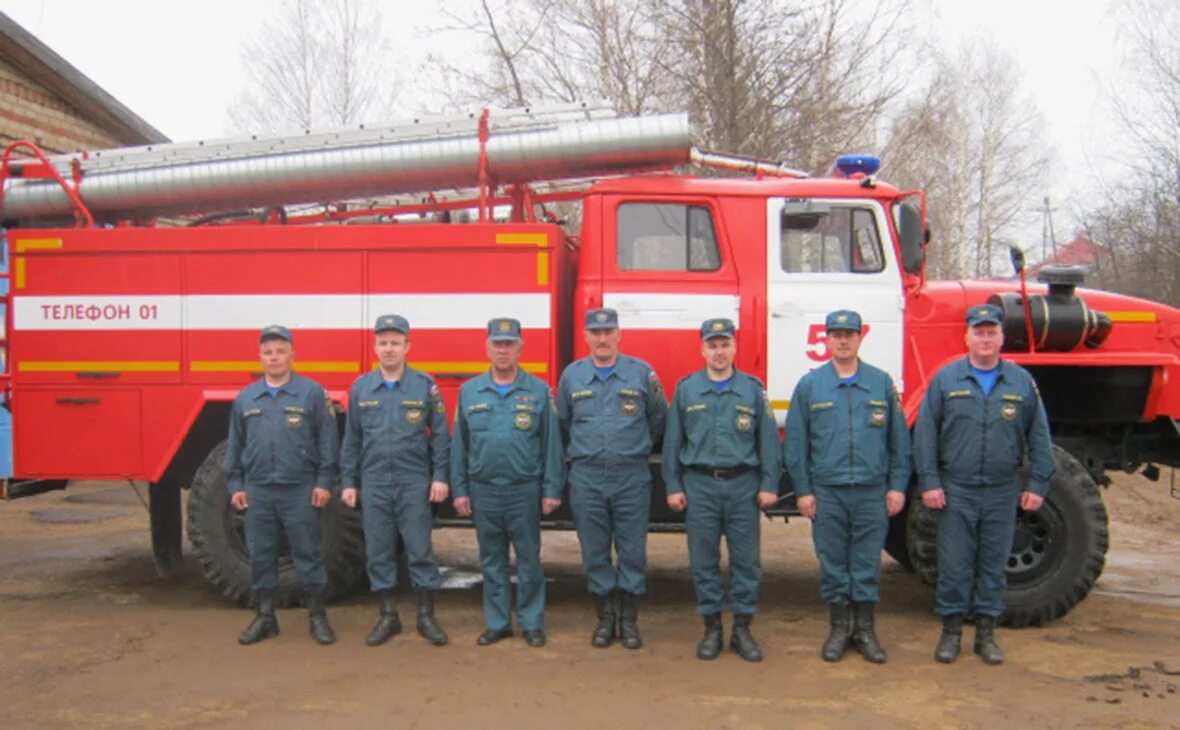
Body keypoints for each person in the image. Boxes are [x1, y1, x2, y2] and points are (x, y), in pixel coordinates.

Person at [913, 303, 1055, 665]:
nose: (985, 338)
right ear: (967, 336)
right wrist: (930, 481)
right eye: (979, 332)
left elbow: (1039, 436)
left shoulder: (1021, 382)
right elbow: (926, 436)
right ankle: (950, 635)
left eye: (992, 332)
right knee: (955, 566)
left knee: (993, 566)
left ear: (1001, 338)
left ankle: (986, 638)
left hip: (1002, 490)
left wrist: (1038, 484)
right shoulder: (947, 379)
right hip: (956, 490)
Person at [783, 309, 910, 664]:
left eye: (848, 334)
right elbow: (795, 445)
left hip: (871, 491)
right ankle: (839, 630)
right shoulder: (811, 386)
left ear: (859, 338)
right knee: (834, 564)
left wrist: (897, 485)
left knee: (866, 563)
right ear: (826, 340)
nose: (842, 340)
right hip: (828, 492)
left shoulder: (880, 383)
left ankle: (865, 631)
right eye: (835, 334)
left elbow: (899, 442)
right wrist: (804, 491)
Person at [662, 318, 781, 662]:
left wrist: (769, 484)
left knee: (746, 562)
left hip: (743, 486)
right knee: (703, 562)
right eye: (712, 345)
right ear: (702, 349)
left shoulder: (752, 390)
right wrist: (673, 485)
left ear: (734, 347)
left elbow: (768, 442)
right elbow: (673, 443)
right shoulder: (686, 390)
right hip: (700, 486)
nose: (719, 351)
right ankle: (711, 629)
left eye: (724, 344)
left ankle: (742, 630)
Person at [450, 317, 566, 647]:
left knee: (529, 560)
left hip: (523, 490)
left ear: (520, 348)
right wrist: (460, 490)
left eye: (509, 344)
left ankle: (531, 623)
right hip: (484, 489)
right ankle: (498, 623)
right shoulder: (469, 391)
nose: (503, 350)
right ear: (487, 348)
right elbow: (460, 443)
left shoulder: (539, 391)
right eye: (497, 344)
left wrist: (551, 488)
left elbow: (551, 445)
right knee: (492, 561)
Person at [557, 307, 666, 649]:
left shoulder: (641, 374)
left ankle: (629, 622)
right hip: (587, 476)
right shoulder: (572, 376)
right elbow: (563, 423)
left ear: (619, 334)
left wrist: (637, 447)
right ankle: (605, 620)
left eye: (608, 332)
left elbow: (658, 419)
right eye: (595, 333)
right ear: (586, 336)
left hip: (630, 475)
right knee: (595, 551)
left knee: (633, 550)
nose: (602, 339)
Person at [340, 314, 450, 647]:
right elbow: (351, 440)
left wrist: (440, 476)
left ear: (407, 346)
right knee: (379, 550)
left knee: (419, 549)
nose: (389, 349)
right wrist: (348, 481)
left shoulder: (424, 386)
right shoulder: (362, 388)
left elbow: (440, 436)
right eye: (383, 343)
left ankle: (425, 616)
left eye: (395, 343)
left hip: (413, 480)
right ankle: (387, 616)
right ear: (375, 347)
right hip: (374, 481)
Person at [225, 325, 339, 646]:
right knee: (261, 556)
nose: (274, 358)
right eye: (268, 352)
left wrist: (324, 481)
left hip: (299, 489)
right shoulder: (246, 398)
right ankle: (264, 617)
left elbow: (328, 442)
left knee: (307, 554)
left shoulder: (312, 394)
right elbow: (235, 447)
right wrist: (236, 485)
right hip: (259, 490)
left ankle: (317, 618)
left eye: (280, 352)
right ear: (260, 357)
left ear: (292, 355)